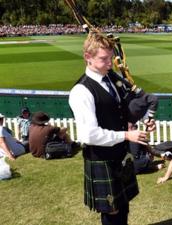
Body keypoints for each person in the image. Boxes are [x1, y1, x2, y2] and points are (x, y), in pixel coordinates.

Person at [68, 32, 154, 225]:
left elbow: (122, 112)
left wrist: (143, 120)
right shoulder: (81, 91)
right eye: (103, 59)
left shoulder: (110, 80)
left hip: (119, 155)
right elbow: (88, 135)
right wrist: (126, 135)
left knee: (124, 207)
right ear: (87, 57)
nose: (110, 63)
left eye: (110, 58)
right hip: (102, 160)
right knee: (112, 214)